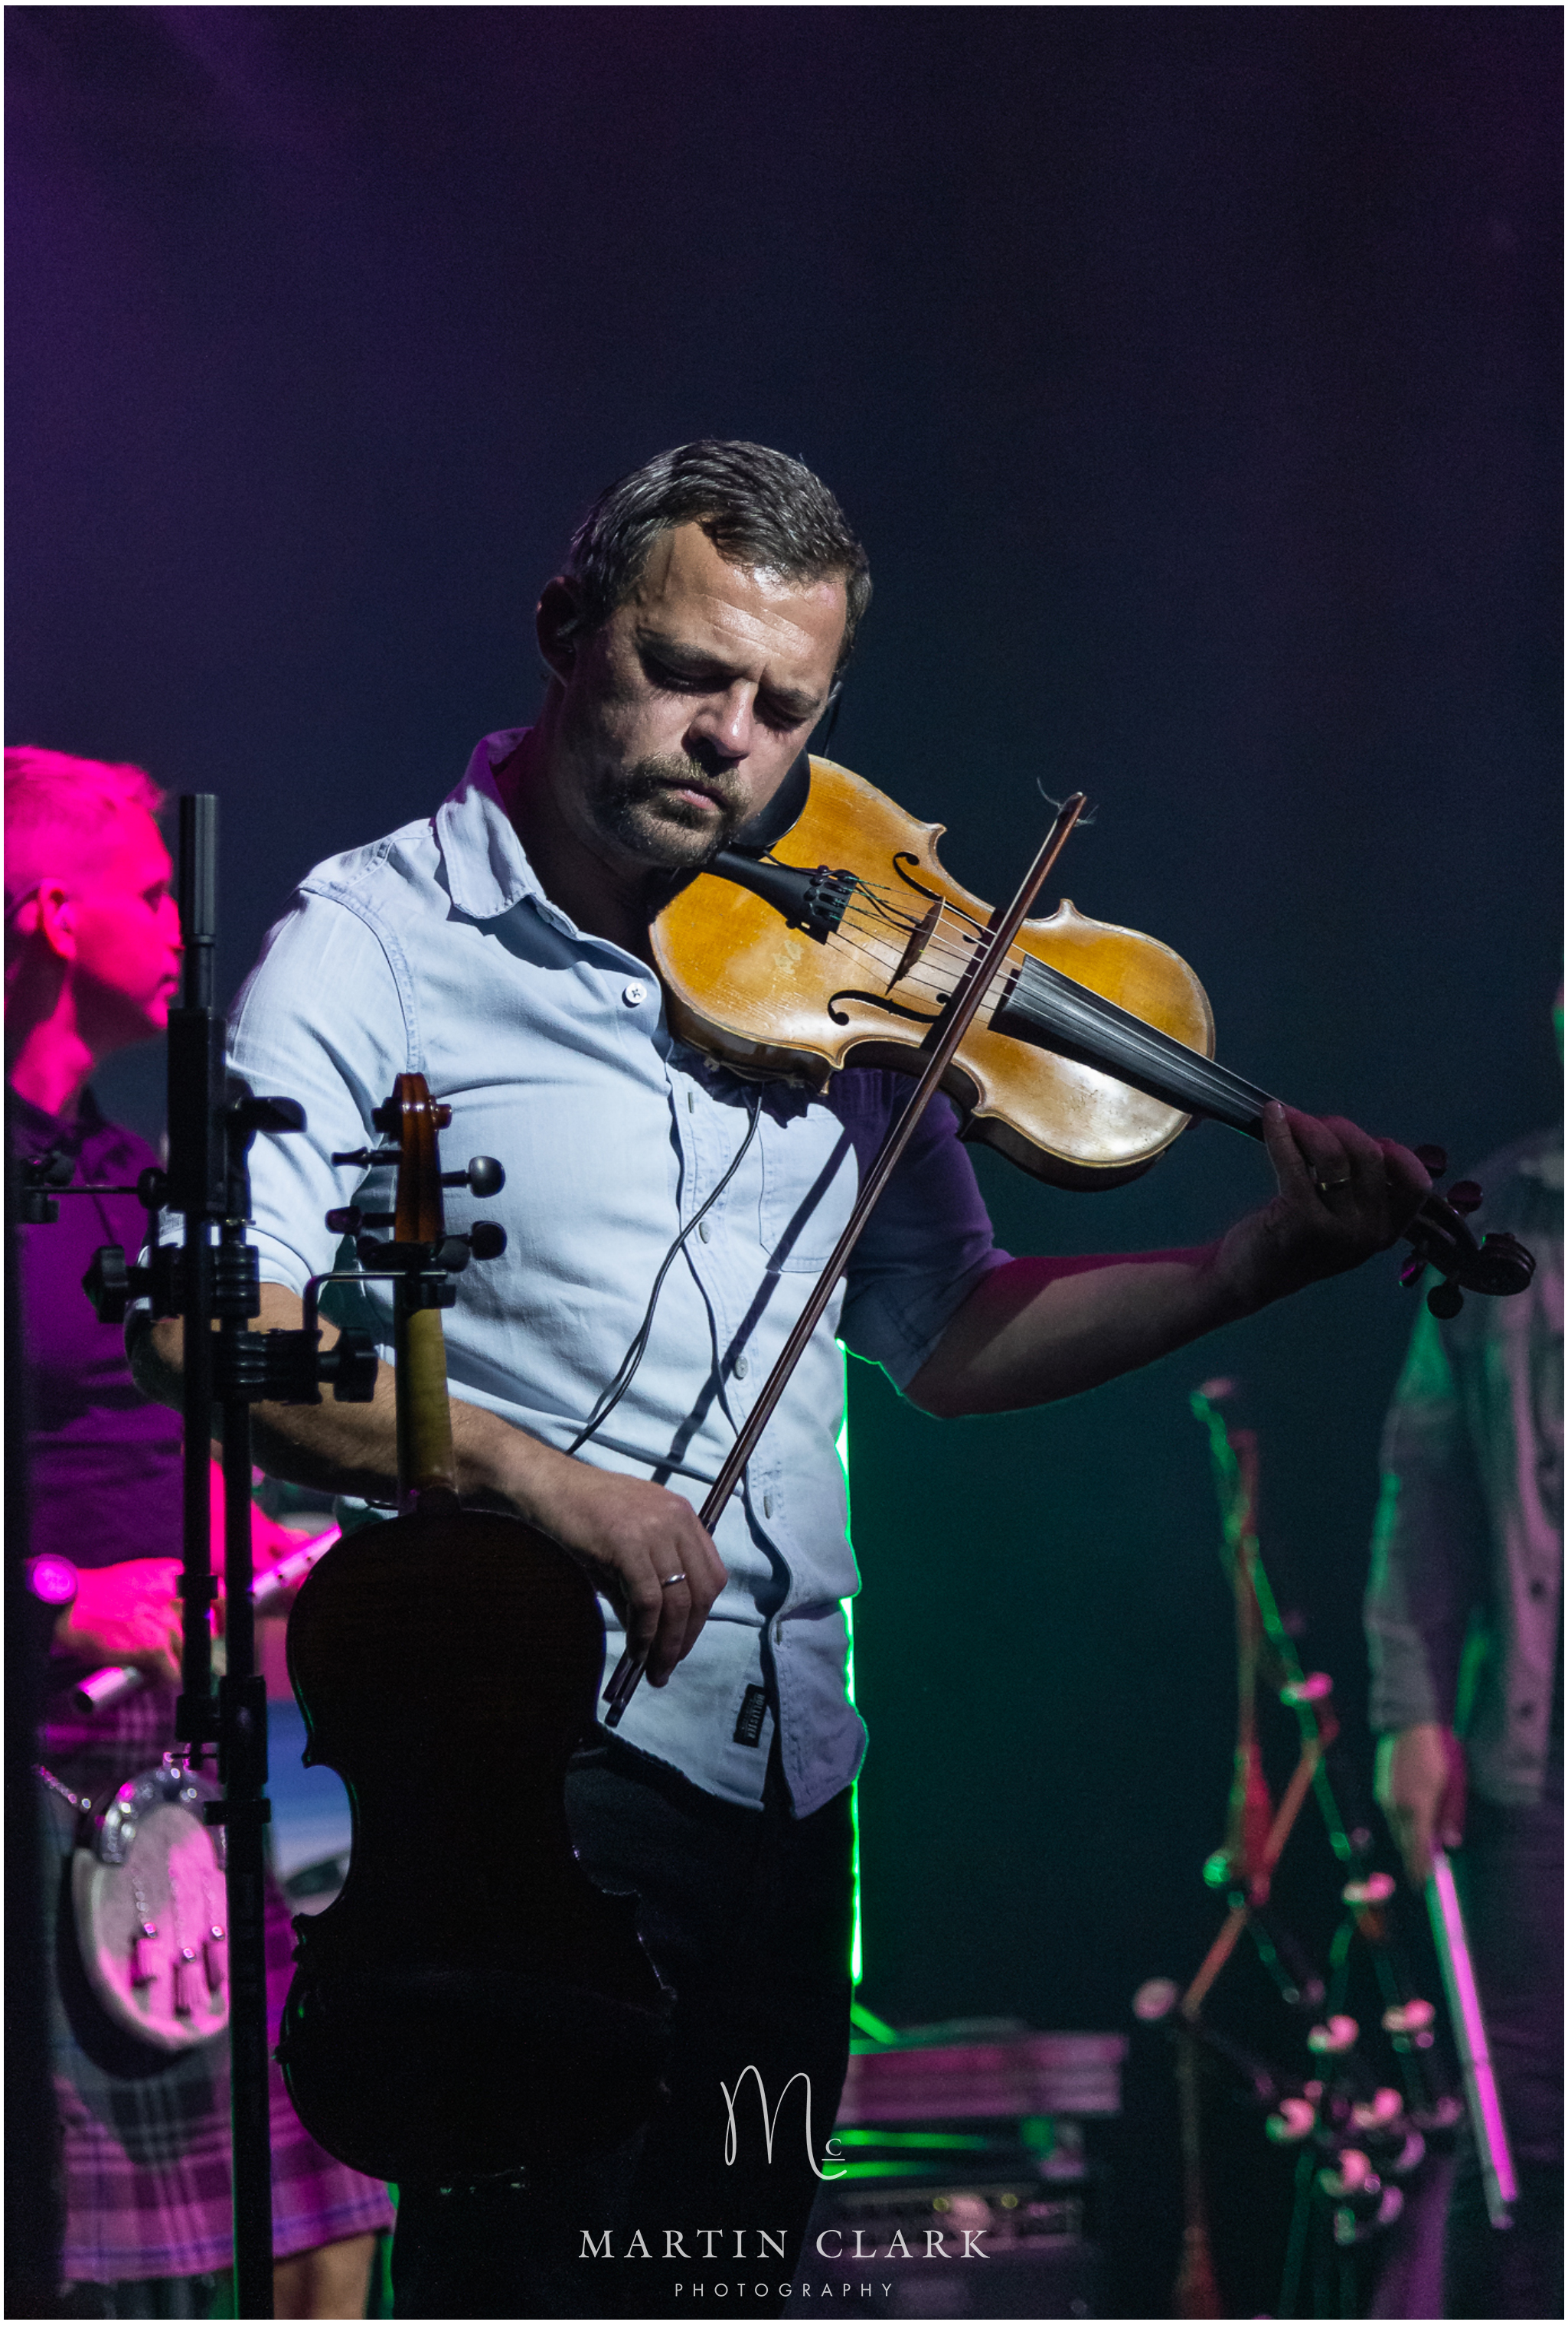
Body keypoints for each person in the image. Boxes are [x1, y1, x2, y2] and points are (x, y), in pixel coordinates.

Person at [132, 440, 1430, 2319]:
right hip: (530, 1754)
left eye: (782, 706)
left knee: (724, 2287)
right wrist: (544, 1481)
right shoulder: (372, 948)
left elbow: (952, 1338)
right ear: (567, 632)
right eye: (684, 671)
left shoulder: (822, 945)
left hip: (787, 1780)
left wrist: (1249, 1265)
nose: (729, 741)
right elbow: (206, 1310)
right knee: (537, 2284)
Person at [7, 746, 394, 2318]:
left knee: (330, 2216)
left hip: (216, 1745)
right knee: (104, 2275)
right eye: (152, 888)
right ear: (40, 909)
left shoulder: (132, 1170)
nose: (184, 920)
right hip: (51, 1752)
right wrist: (48, 1596)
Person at [1367, 1109, 1562, 2321]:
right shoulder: (1511, 1210)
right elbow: (1425, 1473)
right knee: (1530, 2148)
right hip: (1537, 1762)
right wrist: (1410, 1710)